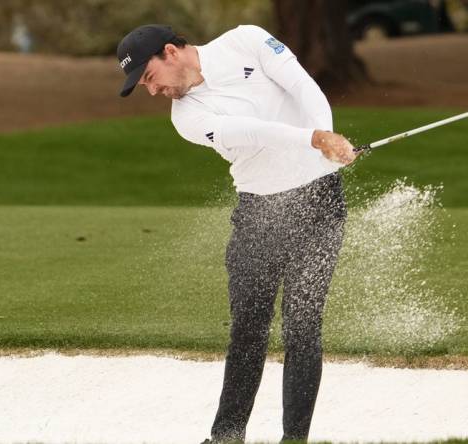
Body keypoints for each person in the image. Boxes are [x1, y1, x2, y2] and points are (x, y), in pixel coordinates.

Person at [116, 24, 358, 443]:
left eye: (149, 78)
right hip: (258, 212)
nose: (152, 91)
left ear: (170, 52)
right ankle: (227, 436)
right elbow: (250, 131)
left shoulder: (245, 40)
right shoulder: (186, 117)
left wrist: (327, 141)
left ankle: (295, 438)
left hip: (319, 202)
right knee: (248, 328)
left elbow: (304, 86)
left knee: (303, 325)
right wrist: (315, 138)